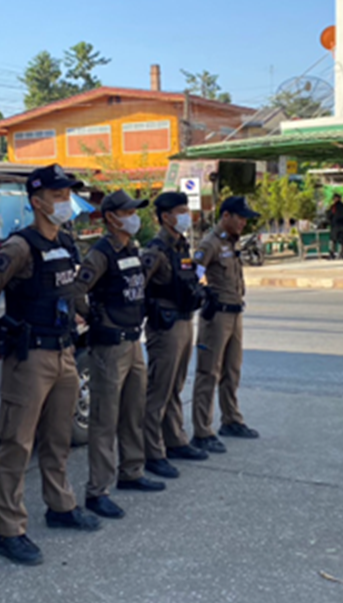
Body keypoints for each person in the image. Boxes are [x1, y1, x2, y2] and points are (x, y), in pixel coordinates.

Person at [0, 165, 102, 568]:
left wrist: (89, 318)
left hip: (63, 352)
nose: (66, 202)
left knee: (58, 439)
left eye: (67, 195)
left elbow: (71, 290)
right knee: (16, 444)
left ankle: (60, 506)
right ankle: (9, 529)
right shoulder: (19, 248)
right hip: (29, 358)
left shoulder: (65, 241)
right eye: (58, 196)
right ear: (37, 202)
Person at [74, 190, 167, 520]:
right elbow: (76, 290)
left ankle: (132, 470)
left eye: (134, 212)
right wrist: (94, 316)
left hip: (132, 341)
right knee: (104, 419)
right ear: (111, 218)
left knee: (133, 410)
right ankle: (97, 491)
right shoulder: (101, 253)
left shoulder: (131, 248)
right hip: (110, 346)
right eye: (127, 212)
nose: (133, 217)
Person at [141, 193, 210, 479]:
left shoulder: (181, 245)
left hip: (184, 321)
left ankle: (175, 440)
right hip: (165, 326)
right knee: (159, 390)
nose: (186, 216)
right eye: (180, 211)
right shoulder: (155, 250)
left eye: (186, 210)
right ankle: (152, 452)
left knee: (175, 387)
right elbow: (138, 287)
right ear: (165, 216)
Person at [191, 197, 263, 455]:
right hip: (217, 316)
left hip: (235, 314)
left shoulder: (231, 243)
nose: (243, 223)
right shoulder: (210, 243)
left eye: (245, 219)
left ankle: (231, 419)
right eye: (240, 217)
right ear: (226, 216)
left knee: (232, 370)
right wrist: (205, 295)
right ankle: (202, 431)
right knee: (208, 372)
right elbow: (193, 276)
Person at [326, 194, 343, 260]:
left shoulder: (333, 207)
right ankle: (341, 255)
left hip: (335, 226)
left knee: (333, 240)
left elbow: (329, 216)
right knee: (341, 241)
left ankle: (332, 255)